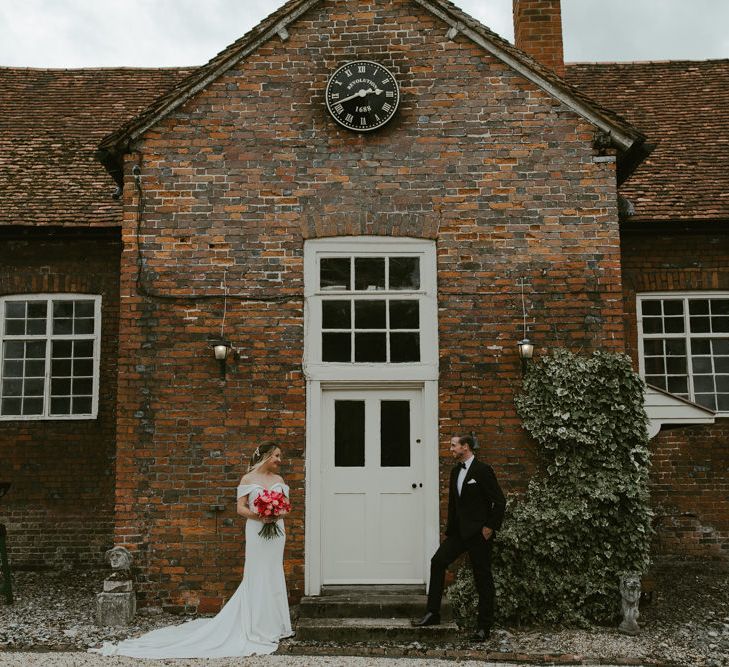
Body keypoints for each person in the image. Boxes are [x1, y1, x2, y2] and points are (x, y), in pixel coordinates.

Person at [90, 441, 293, 658]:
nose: (280, 461)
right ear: (266, 456)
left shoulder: (279, 481)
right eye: (277, 456)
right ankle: (255, 625)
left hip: (276, 532)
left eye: (280, 456)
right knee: (256, 573)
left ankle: (276, 624)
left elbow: (287, 507)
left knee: (273, 571)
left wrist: (275, 515)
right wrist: (260, 516)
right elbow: (240, 508)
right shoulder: (248, 479)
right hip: (256, 530)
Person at [412, 434, 506, 641]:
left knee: (483, 578)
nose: (451, 449)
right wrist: (452, 530)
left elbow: (499, 502)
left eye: (454, 446)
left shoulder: (482, 471)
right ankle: (433, 613)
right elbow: (455, 504)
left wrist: (489, 527)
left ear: (466, 447)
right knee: (438, 562)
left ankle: (484, 628)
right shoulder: (455, 471)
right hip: (459, 533)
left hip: (479, 534)